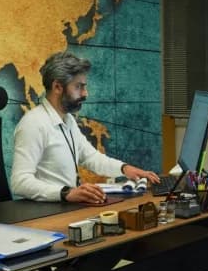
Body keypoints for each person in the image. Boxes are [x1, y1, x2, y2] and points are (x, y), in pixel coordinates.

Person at [11, 51, 160, 204]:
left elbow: (90, 158)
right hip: (47, 212)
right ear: (57, 87)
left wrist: (125, 168)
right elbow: (19, 182)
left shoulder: (68, 119)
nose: (85, 93)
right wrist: (66, 193)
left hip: (65, 207)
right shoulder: (33, 124)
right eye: (78, 87)